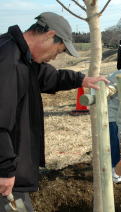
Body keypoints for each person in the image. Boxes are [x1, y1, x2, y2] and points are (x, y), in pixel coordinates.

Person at [0, 12, 108, 211]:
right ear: (49, 34)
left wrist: (81, 80)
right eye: (58, 51)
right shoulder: (8, 61)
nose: (54, 57)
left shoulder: (23, 57)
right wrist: (5, 169)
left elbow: (50, 77)